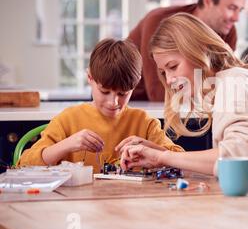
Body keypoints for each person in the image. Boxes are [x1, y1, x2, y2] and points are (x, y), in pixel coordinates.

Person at [119, 13, 248, 195]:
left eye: (173, 66)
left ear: (198, 51)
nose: (170, 80)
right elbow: (229, 165)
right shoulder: (226, 84)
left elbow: (240, 157)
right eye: (164, 72)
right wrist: (161, 156)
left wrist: (162, 157)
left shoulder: (234, 82)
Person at [18, 39, 183, 173]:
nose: (113, 102)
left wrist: (150, 148)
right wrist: (67, 145)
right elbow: (23, 164)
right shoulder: (67, 120)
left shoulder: (145, 123)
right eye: (104, 91)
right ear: (89, 77)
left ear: (136, 82)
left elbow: (182, 161)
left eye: (122, 94)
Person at [128, 0, 247, 102]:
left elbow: (223, 77)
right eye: (231, 8)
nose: (236, 18)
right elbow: (158, 94)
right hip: (137, 103)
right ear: (208, 1)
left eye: (239, 10)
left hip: (191, 102)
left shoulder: (227, 30)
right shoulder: (159, 22)